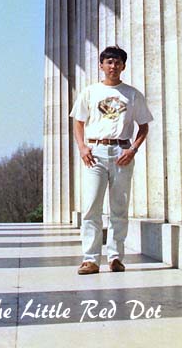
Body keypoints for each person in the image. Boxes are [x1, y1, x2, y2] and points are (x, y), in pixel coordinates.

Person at [70, 45, 152, 274]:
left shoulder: (132, 94)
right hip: (95, 152)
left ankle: (115, 257)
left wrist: (133, 149)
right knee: (91, 207)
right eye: (108, 62)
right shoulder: (90, 92)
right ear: (101, 65)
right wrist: (82, 147)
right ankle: (90, 259)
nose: (113, 66)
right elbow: (78, 122)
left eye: (117, 62)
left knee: (119, 208)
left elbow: (143, 126)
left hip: (122, 152)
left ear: (123, 66)